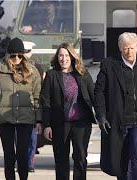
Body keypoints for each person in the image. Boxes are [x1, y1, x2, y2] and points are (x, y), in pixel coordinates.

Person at [94, 32, 137, 179]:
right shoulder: (109, 64)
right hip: (119, 121)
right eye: (125, 48)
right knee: (122, 160)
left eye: (132, 48)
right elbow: (99, 92)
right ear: (120, 48)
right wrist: (101, 116)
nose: (129, 51)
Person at [0, 37, 42, 180]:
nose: (16, 58)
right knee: (9, 156)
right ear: (8, 55)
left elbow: (38, 96)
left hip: (26, 119)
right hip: (5, 119)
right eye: (13, 55)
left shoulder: (33, 71)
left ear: (23, 55)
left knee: (22, 156)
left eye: (19, 55)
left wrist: (38, 118)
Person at [41, 43, 96, 180]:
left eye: (66, 55)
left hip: (81, 123)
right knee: (61, 160)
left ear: (72, 57)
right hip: (60, 124)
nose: (63, 59)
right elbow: (45, 102)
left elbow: (94, 95)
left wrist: (103, 115)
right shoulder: (51, 75)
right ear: (57, 57)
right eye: (61, 55)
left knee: (80, 157)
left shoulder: (82, 73)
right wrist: (46, 124)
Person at [22, 41, 45, 173]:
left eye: (27, 52)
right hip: (19, 110)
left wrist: (39, 116)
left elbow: (39, 91)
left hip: (31, 109)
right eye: (23, 52)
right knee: (20, 140)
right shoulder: (14, 67)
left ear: (31, 53)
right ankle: (21, 161)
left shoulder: (37, 68)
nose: (25, 55)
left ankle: (29, 163)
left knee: (31, 140)